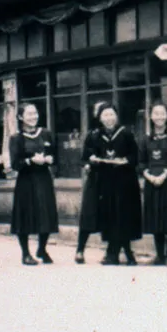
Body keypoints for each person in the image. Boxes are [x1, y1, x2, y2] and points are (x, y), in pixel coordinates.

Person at [88, 103, 142, 265]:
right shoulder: (96, 136)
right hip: (106, 182)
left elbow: (135, 156)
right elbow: (88, 155)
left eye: (111, 114)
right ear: (100, 118)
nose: (109, 118)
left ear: (116, 116)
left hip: (126, 182)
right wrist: (93, 160)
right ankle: (119, 252)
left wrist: (125, 160)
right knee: (110, 216)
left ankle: (116, 252)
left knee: (124, 216)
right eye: (105, 115)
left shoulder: (126, 134)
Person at [8, 103, 59, 265]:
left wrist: (50, 159)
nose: (33, 117)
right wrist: (30, 160)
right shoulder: (16, 138)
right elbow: (15, 163)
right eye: (29, 114)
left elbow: (55, 155)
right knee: (25, 215)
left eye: (35, 113)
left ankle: (42, 249)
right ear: (21, 117)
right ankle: (26, 253)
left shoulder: (46, 134)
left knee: (46, 213)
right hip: (26, 180)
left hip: (43, 178)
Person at [138, 103, 167, 266]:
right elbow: (141, 162)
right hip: (152, 183)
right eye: (155, 113)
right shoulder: (145, 139)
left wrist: (164, 175)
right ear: (151, 117)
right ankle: (159, 255)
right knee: (156, 219)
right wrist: (149, 177)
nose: (159, 116)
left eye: (162, 113)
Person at [75, 102, 105, 264]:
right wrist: (87, 163)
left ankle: (112, 251)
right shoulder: (92, 135)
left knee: (111, 216)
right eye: (98, 111)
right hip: (94, 179)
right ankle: (80, 249)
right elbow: (83, 158)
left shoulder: (118, 133)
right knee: (88, 213)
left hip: (111, 179)